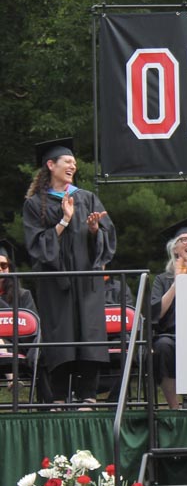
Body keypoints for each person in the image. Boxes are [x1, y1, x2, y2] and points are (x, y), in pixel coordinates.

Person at [23, 138, 117, 408]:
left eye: (74, 162)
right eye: (67, 161)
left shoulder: (86, 198)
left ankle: (88, 396)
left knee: (90, 335)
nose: (72, 165)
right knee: (60, 338)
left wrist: (95, 231)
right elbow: (37, 247)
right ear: (51, 165)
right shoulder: (34, 204)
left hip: (86, 282)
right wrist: (64, 220)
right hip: (56, 284)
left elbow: (106, 240)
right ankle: (60, 397)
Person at [150, 218, 187, 409]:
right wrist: (177, 282)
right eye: (184, 240)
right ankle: (175, 407)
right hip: (172, 336)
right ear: (175, 249)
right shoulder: (163, 279)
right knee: (162, 347)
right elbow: (155, 314)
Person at [0, 239, 40, 390]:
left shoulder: (22, 295)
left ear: (9, 268)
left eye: (4, 265)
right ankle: (12, 380)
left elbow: (32, 328)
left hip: (17, 345)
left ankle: (13, 380)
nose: (0, 269)